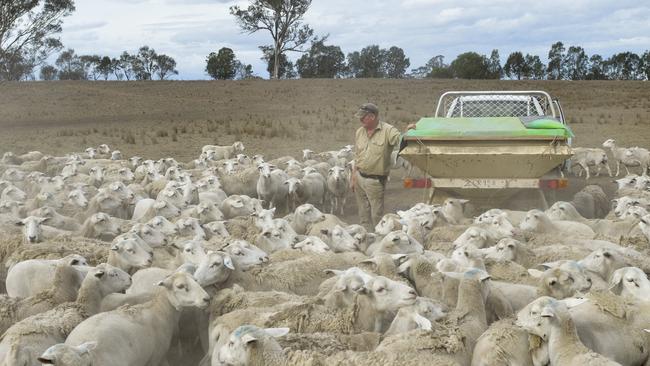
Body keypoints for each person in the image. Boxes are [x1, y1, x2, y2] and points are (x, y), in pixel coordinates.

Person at [350, 102, 416, 230]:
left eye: (363, 117)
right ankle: (366, 236)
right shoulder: (359, 132)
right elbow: (357, 156)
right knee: (363, 213)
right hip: (359, 178)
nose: (360, 119)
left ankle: (377, 237)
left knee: (376, 215)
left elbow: (400, 140)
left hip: (375, 181)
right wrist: (353, 177)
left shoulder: (388, 131)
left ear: (372, 116)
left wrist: (408, 133)